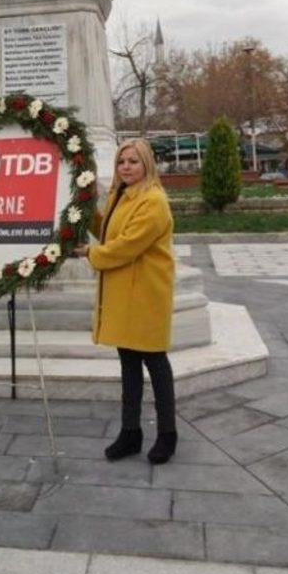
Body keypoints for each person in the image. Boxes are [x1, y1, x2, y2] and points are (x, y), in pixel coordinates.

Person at [74, 138, 177, 464]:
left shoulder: (153, 201)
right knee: (129, 365)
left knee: (156, 366)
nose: (127, 167)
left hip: (145, 295)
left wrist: (91, 253)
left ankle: (167, 434)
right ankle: (130, 433)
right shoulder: (121, 195)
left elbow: (127, 245)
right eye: (122, 162)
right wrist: (84, 212)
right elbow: (109, 231)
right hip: (124, 293)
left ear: (147, 163)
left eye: (133, 161)